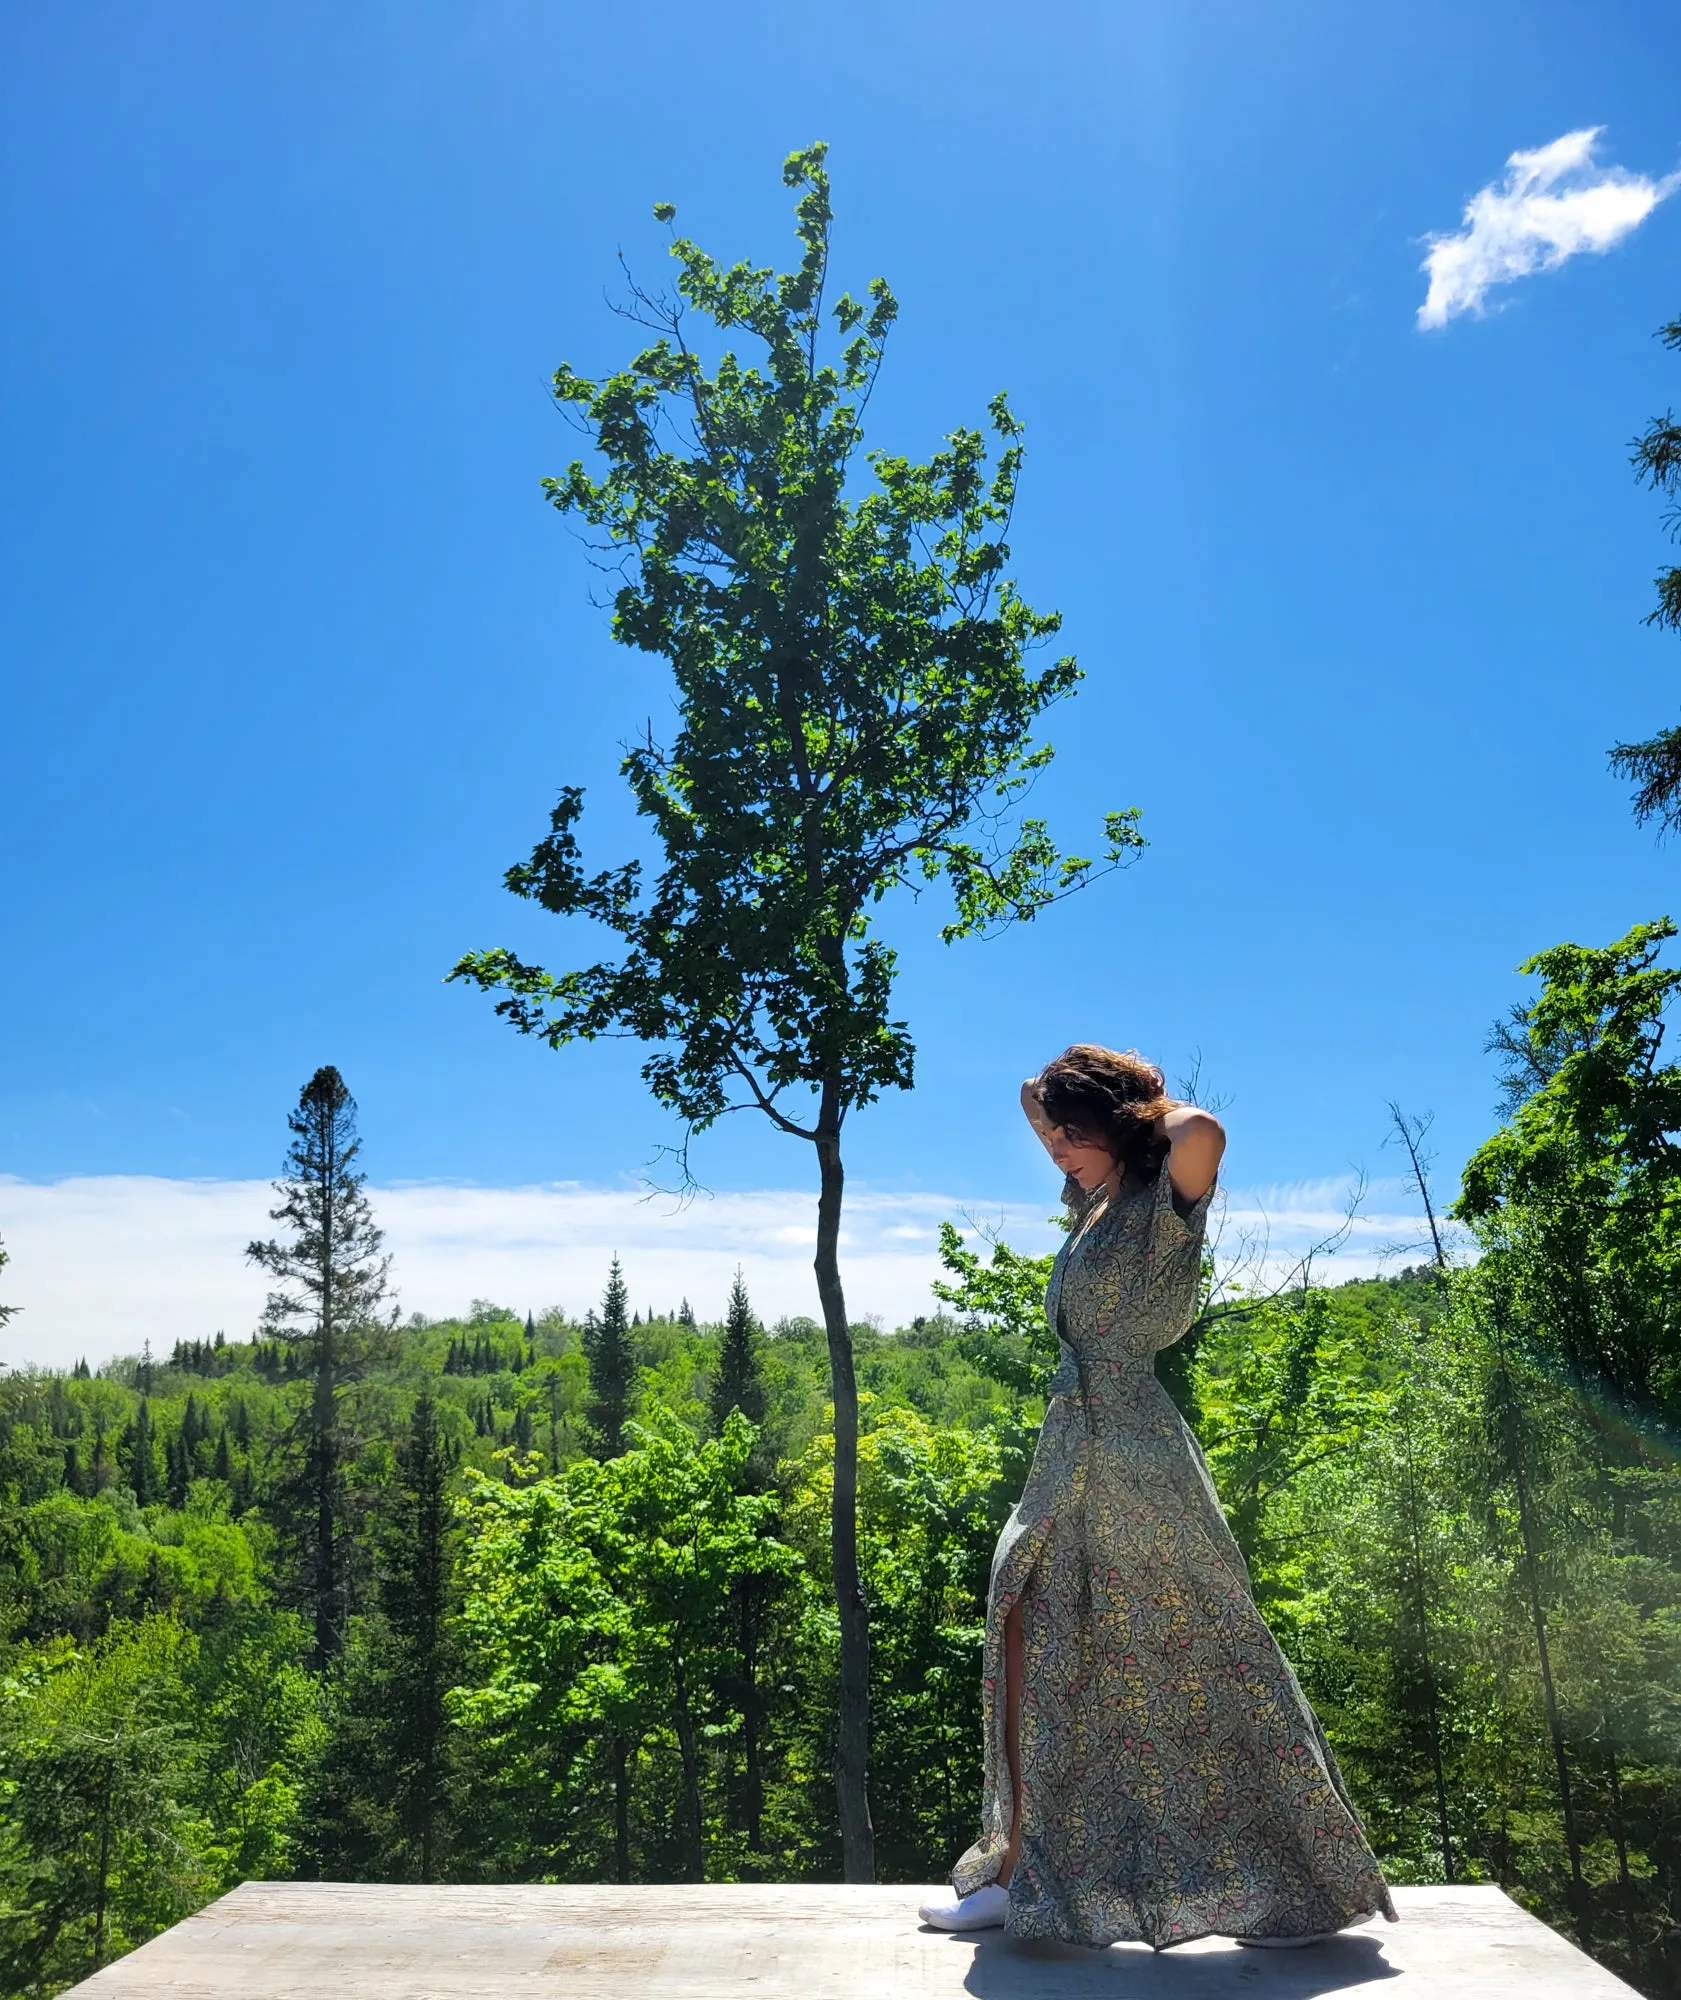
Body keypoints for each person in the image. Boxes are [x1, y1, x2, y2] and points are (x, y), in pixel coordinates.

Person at [919, 1045, 1396, 1949]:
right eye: (1051, 1135)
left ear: (1116, 1127)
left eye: (1071, 1131)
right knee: (1027, 1636)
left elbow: (1199, 1128)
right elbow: (1031, 1096)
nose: (1054, 1146)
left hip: (1136, 1456)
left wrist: (1134, 1112)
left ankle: (1282, 1885)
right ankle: (1019, 1871)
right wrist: (1066, 1104)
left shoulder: (1164, 1198)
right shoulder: (1093, 1198)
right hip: (1073, 1448)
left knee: (1193, 1656)